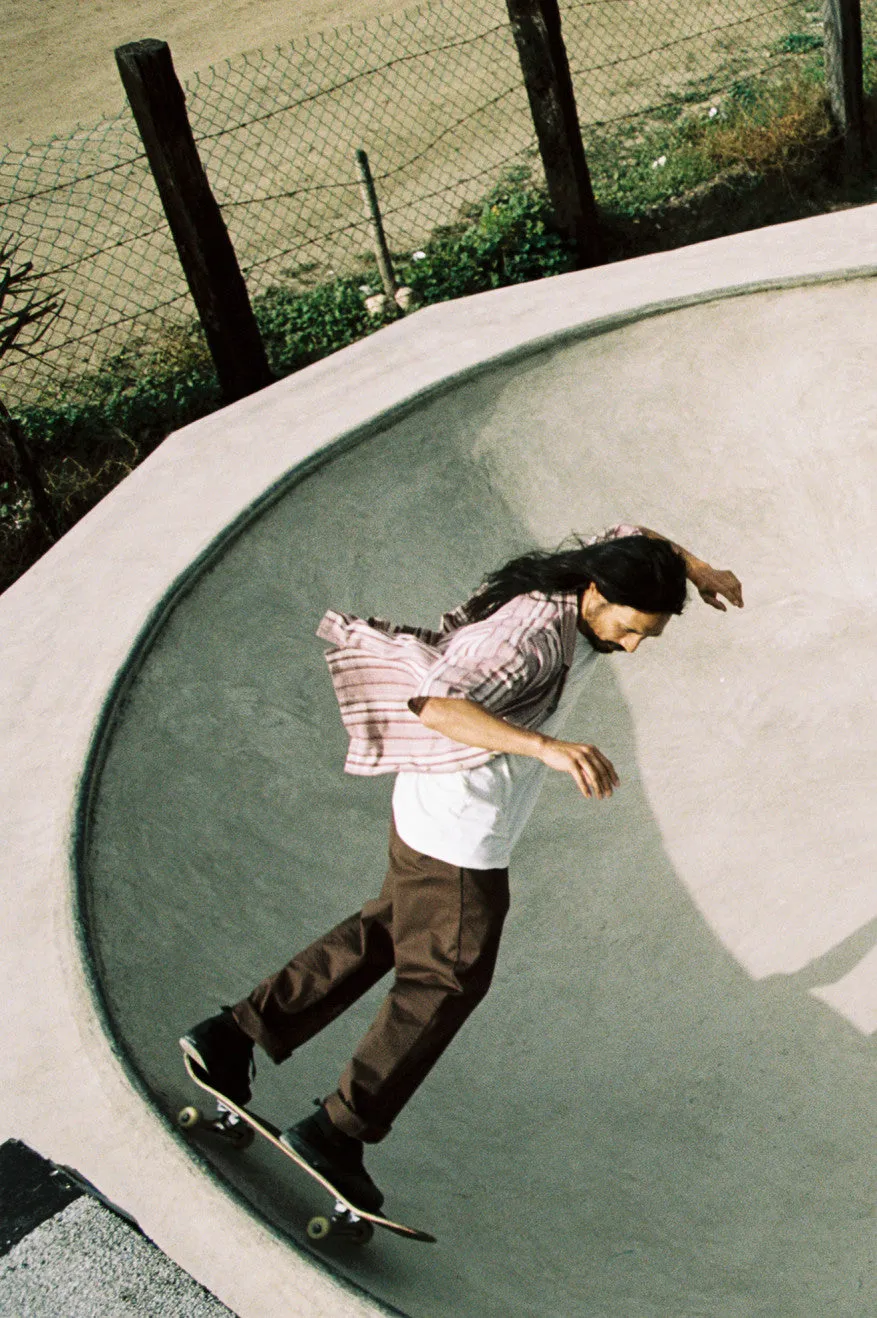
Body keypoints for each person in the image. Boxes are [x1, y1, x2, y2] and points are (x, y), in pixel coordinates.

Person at [180, 524, 743, 1212]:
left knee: (386, 931)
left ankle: (232, 1037)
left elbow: (631, 530)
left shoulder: (586, 581)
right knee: (447, 978)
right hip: (457, 830)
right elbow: (438, 705)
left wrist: (697, 568)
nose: (628, 646)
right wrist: (545, 748)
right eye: (627, 628)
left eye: (644, 637)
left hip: (427, 813)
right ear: (595, 592)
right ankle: (336, 1132)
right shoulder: (526, 641)